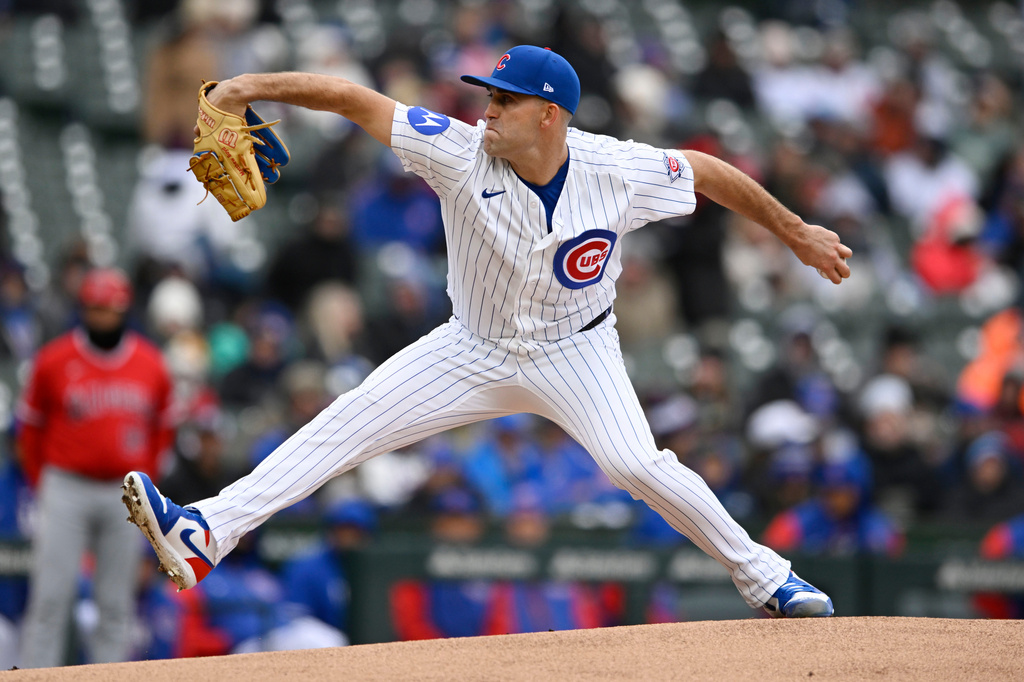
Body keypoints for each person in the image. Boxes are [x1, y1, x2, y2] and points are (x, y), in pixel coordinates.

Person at [123, 45, 852, 620]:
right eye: (488, 96)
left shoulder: (615, 168)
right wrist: (241, 88)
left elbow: (706, 170)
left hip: (578, 347)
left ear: (550, 115)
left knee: (636, 465)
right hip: (470, 348)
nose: (488, 110)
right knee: (343, 426)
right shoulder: (456, 150)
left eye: (505, 100)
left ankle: (769, 578)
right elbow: (352, 98)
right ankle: (205, 533)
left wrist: (795, 233)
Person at [17, 268, 175, 667]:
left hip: (123, 491)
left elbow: (163, 429)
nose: (103, 317)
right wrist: (43, 483)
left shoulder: (151, 364)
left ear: (125, 310)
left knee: (116, 601)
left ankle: (111, 676)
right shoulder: (54, 360)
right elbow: (30, 430)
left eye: (111, 309)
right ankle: (36, 676)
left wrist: (145, 482)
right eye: (96, 309)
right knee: (51, 596)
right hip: (66, 484)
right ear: (83, 309)